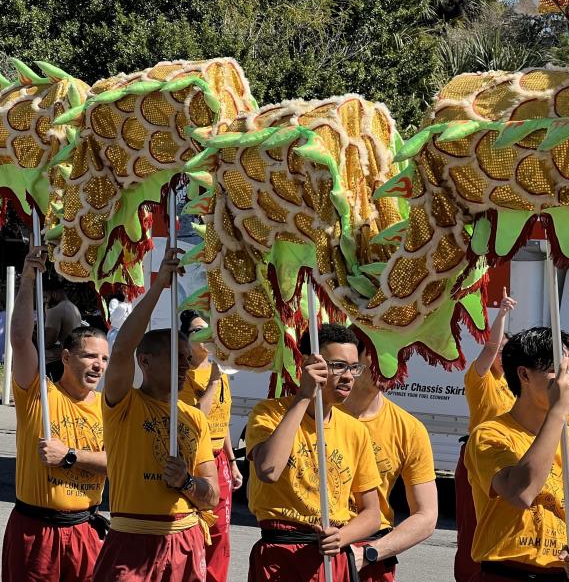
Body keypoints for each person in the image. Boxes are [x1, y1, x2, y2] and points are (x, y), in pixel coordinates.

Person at [91, 246, 219, 582]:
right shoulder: (124, 403)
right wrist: (160, 286)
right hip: (132, 540)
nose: (185, 365)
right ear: (145, 361)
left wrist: (187, 483)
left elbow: (212, 495)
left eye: (186, 358)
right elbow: (121, 350)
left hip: (184, 540)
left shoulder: (194, 418)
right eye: (175, 357)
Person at [2, 247, 109, 582]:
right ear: (65, 357)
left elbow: (120, 460)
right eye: (90, 356)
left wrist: (70, 456)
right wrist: (29, 277)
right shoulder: (40, 395)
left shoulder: (109, 407)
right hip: (35, 533)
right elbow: (20, 339)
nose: (98, 365)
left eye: (104, 360)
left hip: (85, 532)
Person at [465, 327, 569, 582]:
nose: (568, 381)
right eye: (558, 371)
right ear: (524, 374)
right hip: (505, 573)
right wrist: (558, 412)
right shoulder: (490, 434)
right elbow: (520, 493)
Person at [246, 323, 381, 582]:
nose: (349, 376)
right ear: (311, 365)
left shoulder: (355, 430)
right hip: (281, 556)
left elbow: (372, 514)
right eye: (338, 366)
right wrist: (304, 395)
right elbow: (269, 470)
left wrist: (342, 537)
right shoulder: (269, 413)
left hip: (332, 557)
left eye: (354, 368)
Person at [342, 333, 439, 582]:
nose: (388, 366)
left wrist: (370, 553)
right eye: (377, 356)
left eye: (396, 357)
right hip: (313, 545)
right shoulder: (314, 415)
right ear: (353, 360)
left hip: (370, 556)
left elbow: (426, 516)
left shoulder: (410, 429)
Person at [454, 291, 517, 582]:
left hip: (507, 462)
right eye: (500, 351)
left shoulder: (516, 386)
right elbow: (491, 346)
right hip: (477, 459)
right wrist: (501, 315)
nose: (501, 355)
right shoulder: (480, 380)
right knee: (473, 525)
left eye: (508, 351)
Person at [178, 310, 242, 582]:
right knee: (195, 530)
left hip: (219, 460)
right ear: (185, 338)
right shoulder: (184, 374)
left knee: (220, 533)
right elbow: (197, 420)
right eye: (196, 331)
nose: (205, 336)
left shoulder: (220, 371)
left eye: (208, 330)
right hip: (194, 458)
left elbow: (222, 419)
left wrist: (232, 461)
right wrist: (214, 380)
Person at [43, 275, 83, 382]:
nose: (45, 302)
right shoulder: (74, 308)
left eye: (46, 298)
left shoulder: (56, 310)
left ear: (54, 294)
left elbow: (47, 343)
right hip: (72, 359)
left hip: (57, 364)